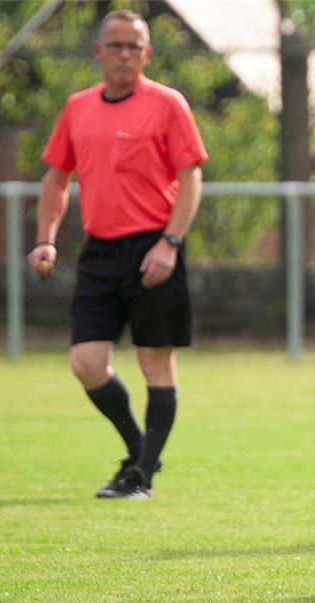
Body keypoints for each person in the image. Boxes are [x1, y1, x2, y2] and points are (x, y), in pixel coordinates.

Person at [26, 10, 207, 500]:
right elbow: (56, 179)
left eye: (135, 46)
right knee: (86, 362)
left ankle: (141, 476)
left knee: (154, 362)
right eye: (117, 45)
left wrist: (169, 244)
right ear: (99, 51)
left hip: (154, 246)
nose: (125, 54)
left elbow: (191, 179)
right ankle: (140, 451)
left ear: (147, 54)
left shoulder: (168, 104)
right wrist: (46, 238)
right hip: (99, 251)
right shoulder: (78, 108)